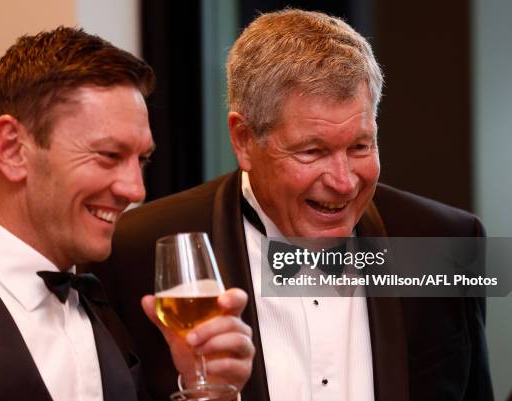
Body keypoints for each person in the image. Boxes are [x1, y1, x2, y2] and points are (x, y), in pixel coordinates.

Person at [97, 9, 494, 401]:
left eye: (360, 146)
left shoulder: (448, 243)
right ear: (243, 140)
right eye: (312, 151)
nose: (343, 182)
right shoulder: (138, 251)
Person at [0, 27, 254, 401]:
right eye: (108, 155)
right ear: (11, 149)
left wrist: (206, 390)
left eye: (142, 160)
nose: (136, 190)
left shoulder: (106, 305)